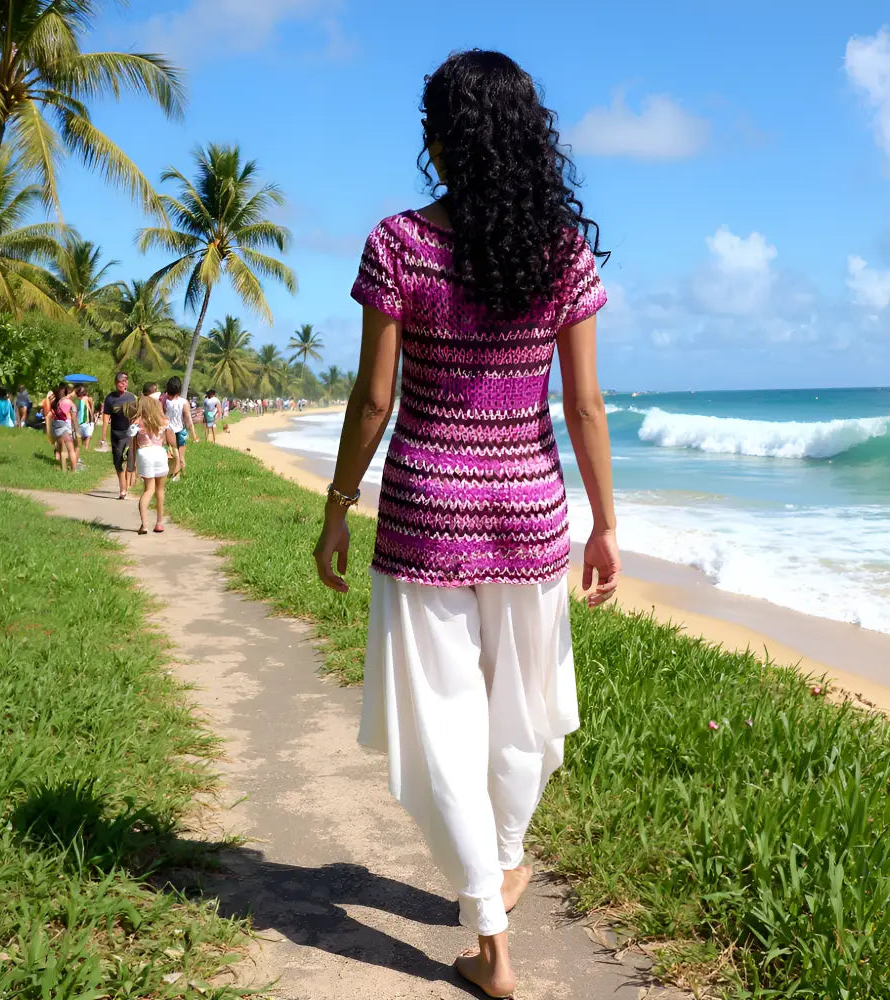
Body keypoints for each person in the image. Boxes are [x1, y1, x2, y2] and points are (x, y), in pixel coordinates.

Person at [312, 50, 619, 999]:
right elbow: (586, 406)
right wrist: (605, 522)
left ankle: (490, 935)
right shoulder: (559, 250)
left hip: (424, 513)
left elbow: (372, 399)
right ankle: (507, 858)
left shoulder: (399, 242)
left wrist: (336, 507)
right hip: (530, 512)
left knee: (445, 725)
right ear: (528, 136)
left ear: (443, 137)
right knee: (524, 708)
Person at [128, 395, 169, 534]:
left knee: (148, 490)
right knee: (160, 490)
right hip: (159, 452)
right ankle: (159, 523)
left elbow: (132, 445)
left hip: (144, 453)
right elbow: (165, 440)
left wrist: (131, 465)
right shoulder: (162, 421)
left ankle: (144, 525)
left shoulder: (137, 422)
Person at [101, 372, 137, 499]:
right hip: (116, 434)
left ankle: (124, 488)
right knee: (118, 462)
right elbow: (105, 418)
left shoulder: (132, 397)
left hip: (130, 434)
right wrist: (103, 436)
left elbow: (137, 416)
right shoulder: (110, 399)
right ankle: (123, 486)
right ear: (116, 383)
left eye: (125, 381)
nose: (123, 383)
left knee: (131, 461)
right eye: (121, 381)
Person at [163, 376, 198, 481]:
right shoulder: (184, 402)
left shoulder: (164, 400)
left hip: (167, 430)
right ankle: (178, 476)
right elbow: (188, 421)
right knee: (180, 456)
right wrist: (194, 435)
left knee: (170, 455)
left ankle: (172, 474)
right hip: (180, 431)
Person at [50, 381, 79, 472]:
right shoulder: (67, 402)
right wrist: (76, 430)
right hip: (65, 429)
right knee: (71, 450)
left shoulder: (56, 402)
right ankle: (74, 471)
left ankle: (64, 470)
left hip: (57, 429)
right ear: (67, 392)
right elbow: (71, 418)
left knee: (63, 450)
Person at [74, 385, 95, 465]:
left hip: (85, 421)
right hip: (81, 422)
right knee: (85, 436)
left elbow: (91, 407)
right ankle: (84, 448)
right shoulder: (78, 400)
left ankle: (85, 448)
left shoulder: (86, 399)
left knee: (88, 436)